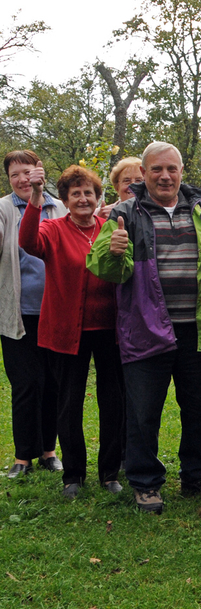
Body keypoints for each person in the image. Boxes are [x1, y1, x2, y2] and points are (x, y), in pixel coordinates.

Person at [87, 141, 201, 514]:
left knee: (200, 407)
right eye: (157, 170)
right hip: (145, 328)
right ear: (145, 173)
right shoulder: (123, 212)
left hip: (196, 328)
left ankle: (197, 473)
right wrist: (113, 250)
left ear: (182, 171)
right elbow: (103, 268)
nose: (165, 176)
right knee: (143, 411)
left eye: (172, 169)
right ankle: (146, 482)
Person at [19, 163, 123, 498]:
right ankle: (74, 476)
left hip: (110, 329)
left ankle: (110, 472)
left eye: (88, 193)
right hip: (66, 332)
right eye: (75, 194)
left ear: (97, 197)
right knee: (69, 403)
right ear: (64, 199)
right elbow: (28, 242)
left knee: (112, 402)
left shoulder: (109, 228)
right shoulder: (52, 229)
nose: (82, 199)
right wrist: (36, 194)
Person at [1, 150, 63, 479]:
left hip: (55, 312)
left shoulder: (58, 206)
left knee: (52, 383)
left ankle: (48, 452)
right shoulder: (3, 208)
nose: (23, 179)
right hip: (18, 313)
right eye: (15, 175)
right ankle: (23, 456)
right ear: (9, 180)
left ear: (39, 171)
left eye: (27, 172)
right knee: (25, 384)